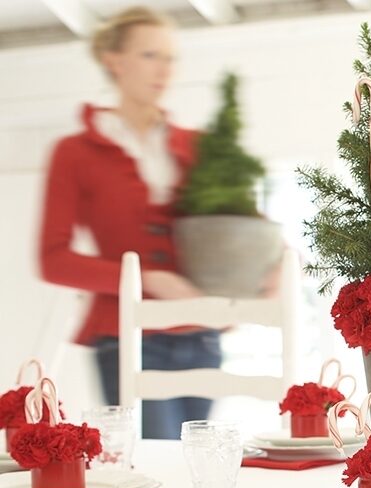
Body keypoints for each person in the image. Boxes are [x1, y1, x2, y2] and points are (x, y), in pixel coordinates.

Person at [38, 6, 221, 439]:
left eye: (170, 58)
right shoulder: (74, 153)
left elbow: (230, 225)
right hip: (126, 335)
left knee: (202, 463)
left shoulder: (200, 146)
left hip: (202, 334)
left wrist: (267, 262)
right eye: (150, 55)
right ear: (114, 61)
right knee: (155, 464)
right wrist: (145, 279)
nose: (165, 70)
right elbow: (53, 259)